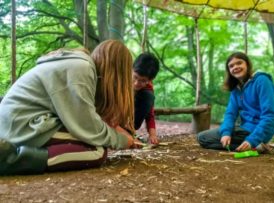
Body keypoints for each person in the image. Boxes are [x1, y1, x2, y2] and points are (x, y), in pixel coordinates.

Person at [0, 40, 141, 175]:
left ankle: (25, 153)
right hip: (21, 126)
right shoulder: (82, 69)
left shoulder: (80, 65)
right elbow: (87, 127)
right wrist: (121, 140)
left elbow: (85, 119)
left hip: (18, 123)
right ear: (117, 72)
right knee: (95, 150)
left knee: (93, 144)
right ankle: (11, 159)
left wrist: (115, 129)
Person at [196, 52, 274, 152]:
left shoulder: (262, 81)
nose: (235, 67)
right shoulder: (236, 89)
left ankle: (255, 145)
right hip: (244, 128)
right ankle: (258, 147)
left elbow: (270, 116)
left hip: (259, 130)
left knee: (203, 138)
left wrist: (252, 140)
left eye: (239, 63)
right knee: (202, 137)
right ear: (229, 71)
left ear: (247, 64)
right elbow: (230, 114)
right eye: (231, 66)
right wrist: (226, 133)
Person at [133, 52, 160, 144]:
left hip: (130, 121)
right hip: (113, 116)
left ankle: (129, 130)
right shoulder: (120, 78)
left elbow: (150, 114)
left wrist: (152, 135)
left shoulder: (148, 89)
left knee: (148, 96)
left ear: (149, 80)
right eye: (135, 77)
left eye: (143, 81)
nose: (136, 83)